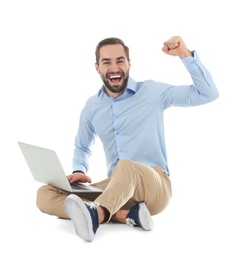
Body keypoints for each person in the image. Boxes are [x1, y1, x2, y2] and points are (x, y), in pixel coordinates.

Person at [36, 35, 219, 242]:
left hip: (154, 185)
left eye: (120, 60)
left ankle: (98, 215)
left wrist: (185, 55)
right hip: (117, 188)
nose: (114, 67)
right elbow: (82, 145)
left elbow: (208, 93)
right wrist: (79, 170)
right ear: (97, 68)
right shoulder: (92, 106)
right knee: (46, 193)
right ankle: (126, 215)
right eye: (107, 62)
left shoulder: (151, 92)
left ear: (129, 64)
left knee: (126, 166)